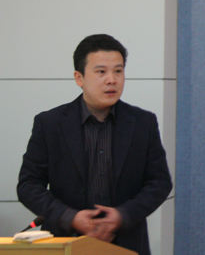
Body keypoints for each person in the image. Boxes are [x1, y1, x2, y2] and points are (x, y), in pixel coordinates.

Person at [17, 34, 172, 255]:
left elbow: (159, 182)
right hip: (66, 242)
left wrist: (123, 215)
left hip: (126, 244)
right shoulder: (50, 123)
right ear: (79, 78)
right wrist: (69, 217)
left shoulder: (142, 123)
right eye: (101, 72)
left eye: (118, 71)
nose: (112, 80)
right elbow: (29, 185)